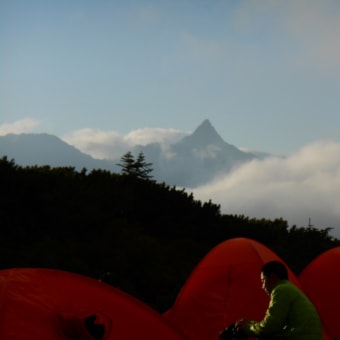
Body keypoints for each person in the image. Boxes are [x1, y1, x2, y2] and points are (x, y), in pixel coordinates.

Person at [235, 261, 323, 340]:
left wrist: (248, 328)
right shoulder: (290, 288)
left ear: (273, 278)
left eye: (263, 280)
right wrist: (252, 324)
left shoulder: (280, 290)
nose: (262, 287)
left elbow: (270, 326)